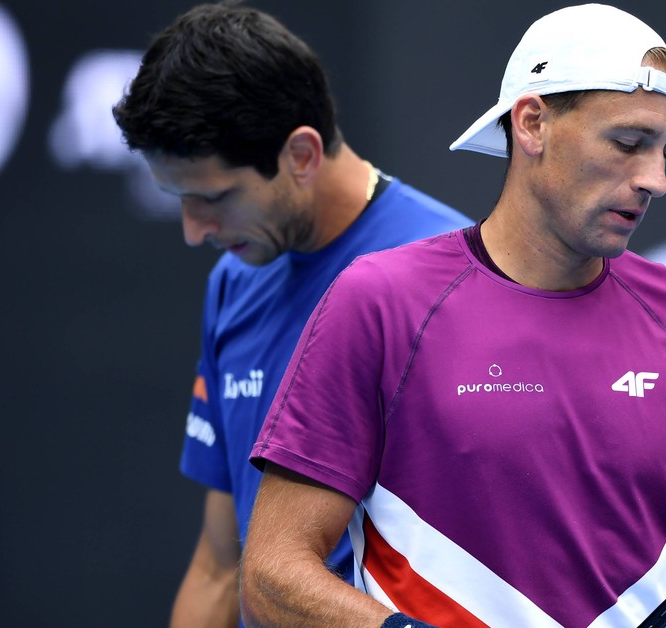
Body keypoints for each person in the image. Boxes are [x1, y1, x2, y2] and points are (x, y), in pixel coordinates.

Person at [239, 4, 666, 627]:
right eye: (629, 143)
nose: (655, 179)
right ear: (532, 124)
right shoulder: (380, 300)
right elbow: (272, 577)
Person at [111, 2, 472, 626]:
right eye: (179, 200)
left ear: (302, 154)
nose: (194, 231)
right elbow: (220, 566)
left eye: (213, 197)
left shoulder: (457, 281)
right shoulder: (233, 282)